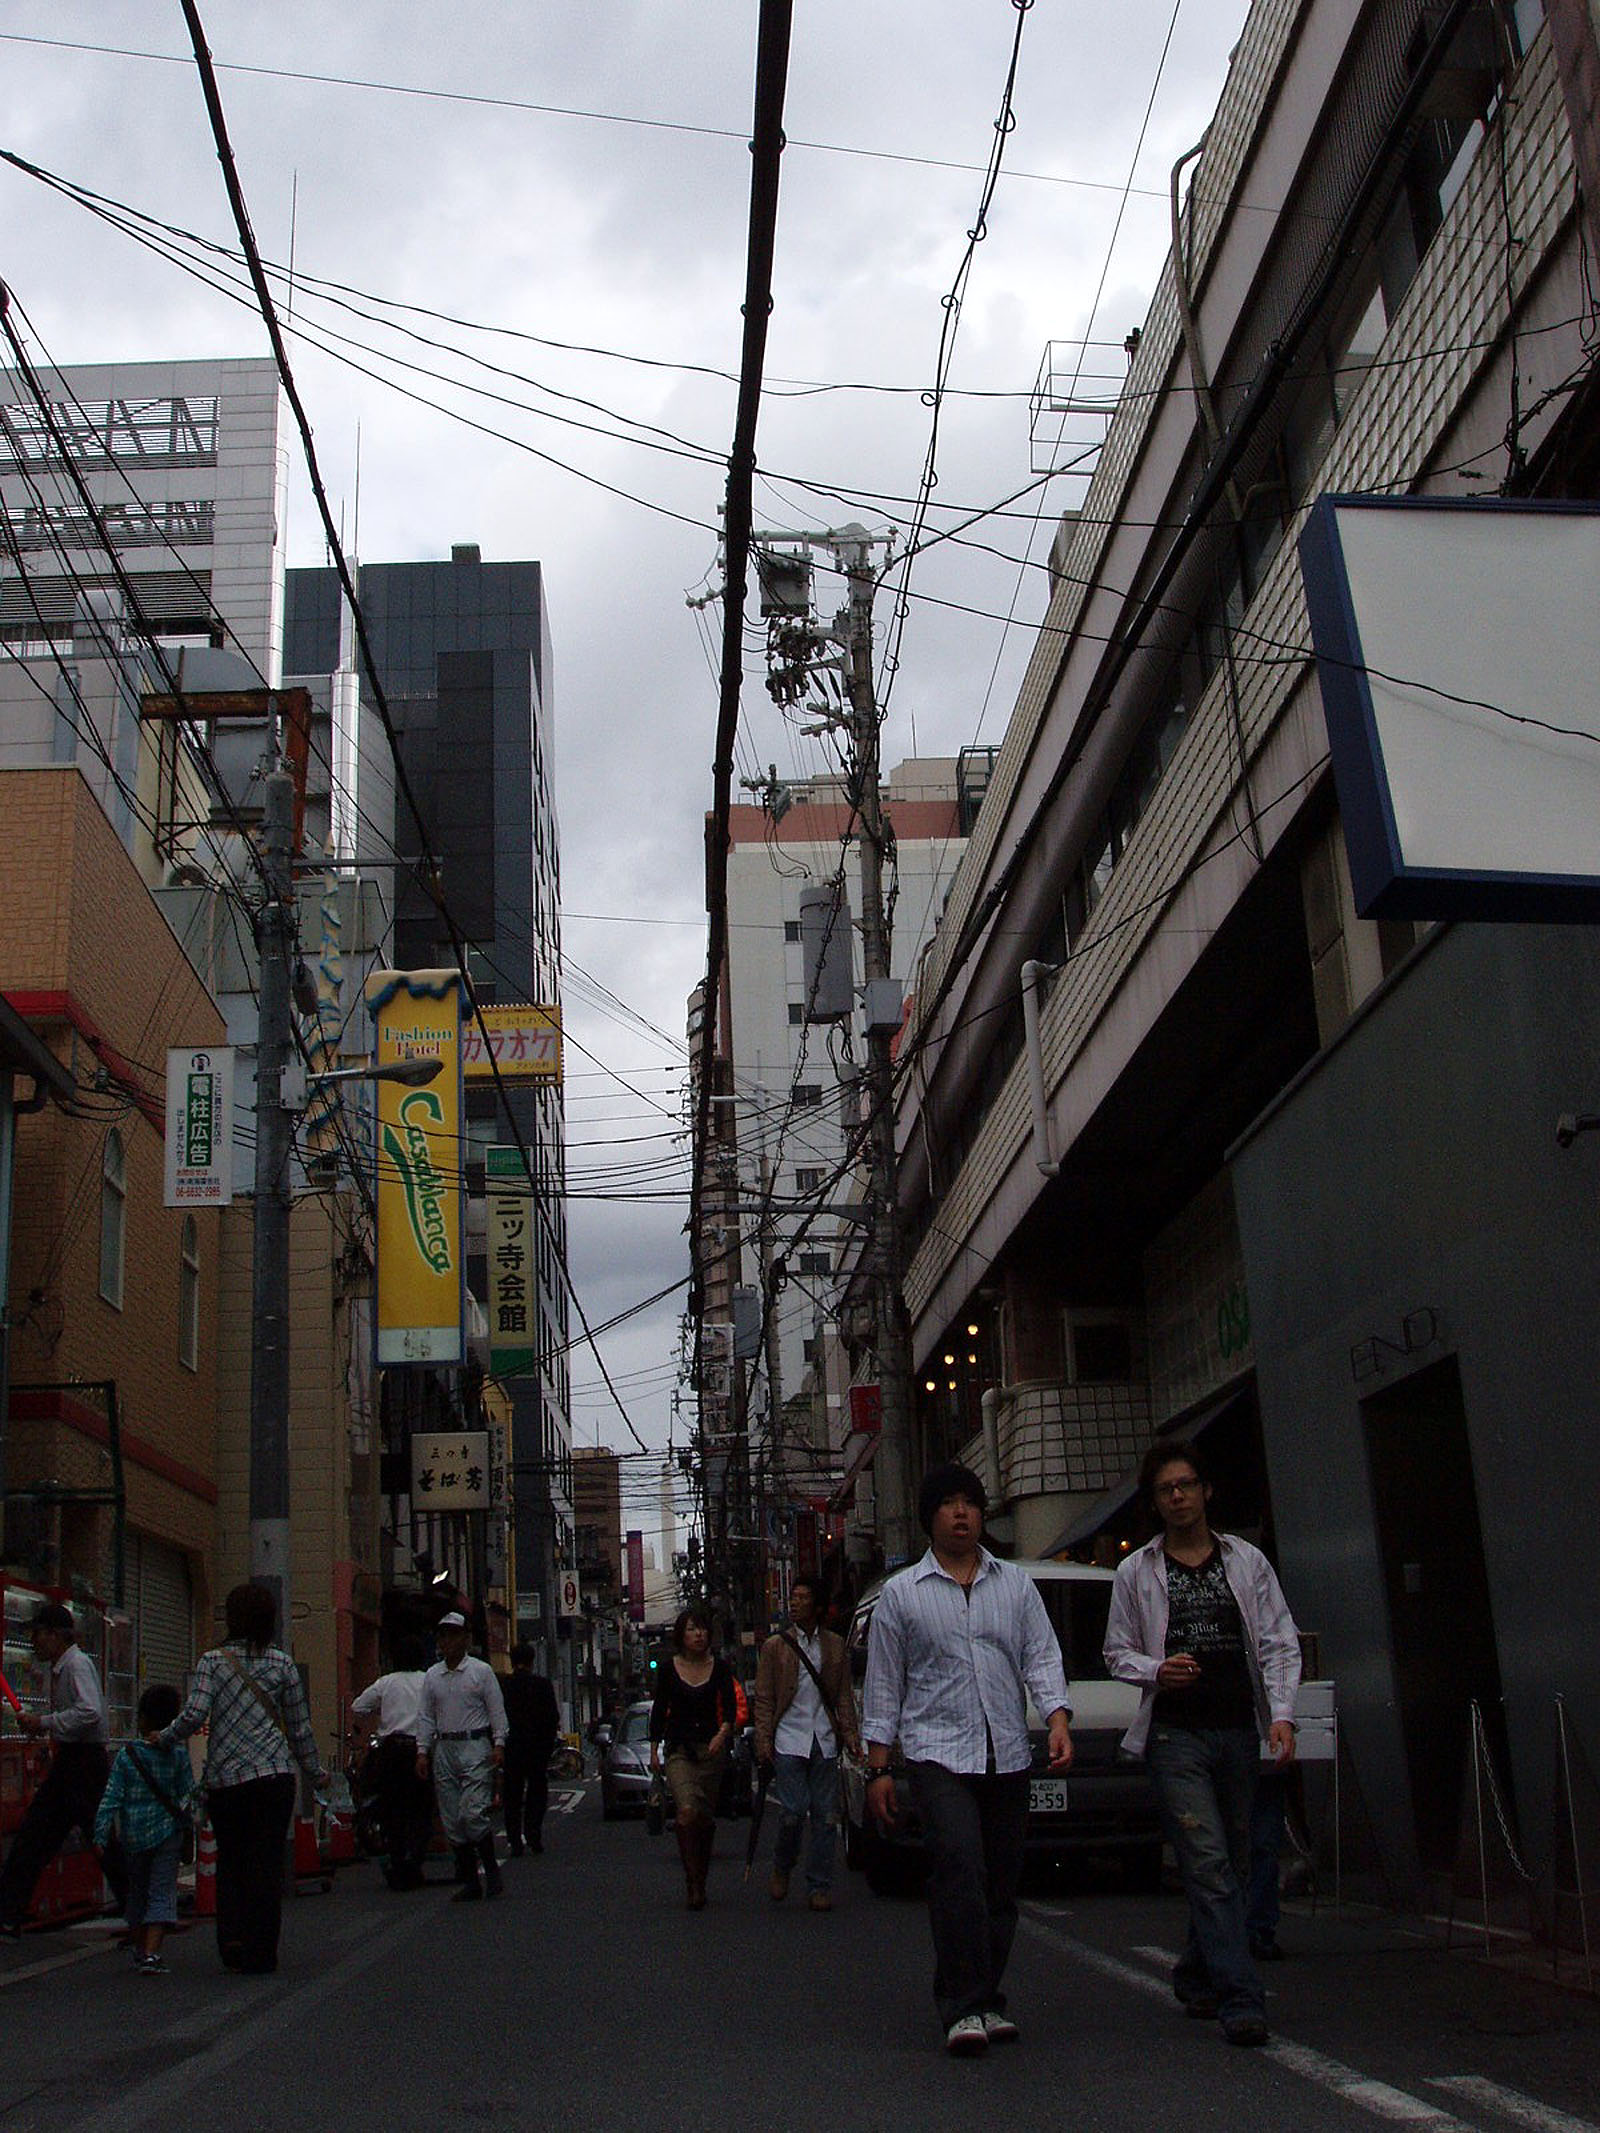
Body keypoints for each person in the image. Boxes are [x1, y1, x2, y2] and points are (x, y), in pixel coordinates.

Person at [862, 1463, 1073, 2056]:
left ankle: (984, 1998)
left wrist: (1057, 1719)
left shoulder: (1015, 1585)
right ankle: (962, 2005)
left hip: (1006, 1751)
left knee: (1001, 1883)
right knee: (959, 1867)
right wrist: (879, 1769)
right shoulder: (902, 1594)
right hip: (938, 1754)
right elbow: (884, 1685)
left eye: (970, 1503)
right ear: (929, 1517)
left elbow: (1041, 1656)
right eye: (949, 1503)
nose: (961, 1513)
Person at [1104, 1438, 1302, 2048]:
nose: (1178, 1497)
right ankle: (1241, 1997)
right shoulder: (1137, 1572)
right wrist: (1156, 1670)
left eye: (1186, 1485)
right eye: (1166, 1489)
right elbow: (1116, 1652)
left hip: (1237, 1728)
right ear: (1154, 1501)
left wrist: (1282, 1715)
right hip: (1175, 1735)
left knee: (1233, 1861)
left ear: (1206, 1490)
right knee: (1209, 1860)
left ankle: (1196, 1971)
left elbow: (1278, 1640)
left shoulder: (1245, 1561)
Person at [156, 1580, 327, 1975]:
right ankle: (262, 1949)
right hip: (274, 1778)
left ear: (231, 1618)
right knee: (266, 1865)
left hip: (228, 1780)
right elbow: (299, 1728)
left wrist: (164, 1737)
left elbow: (194, 1715)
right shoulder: (282, 1664)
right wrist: (315, 1772)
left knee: (231, 1860)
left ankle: (232, 1940)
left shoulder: (213, 1662)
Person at [0, 1602, 128, 1937]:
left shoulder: (75, 1665)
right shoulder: (66, 1666)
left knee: (45, 1835)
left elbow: (90, 1712)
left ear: (55, 1635)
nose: (34, 1641)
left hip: (81, 1764)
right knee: (44, 1835)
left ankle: (8, 1911)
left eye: (38, 1634)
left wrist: (44, 1722)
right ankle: (9, 1911)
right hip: (77, 1762)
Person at [753, 1574, 860, 1912]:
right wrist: (763, 1738)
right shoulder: (776, 1646)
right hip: (789, 1736)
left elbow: (842, 1695)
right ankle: (782, 1865)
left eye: (802, 1598)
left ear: (817, 1605)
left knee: (826, 1816)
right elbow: (764, 1698)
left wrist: (851, 1735)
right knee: (793, 1811)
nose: (795, 1603)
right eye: (793, 1597)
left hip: (823, 1737)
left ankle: (820, 1884)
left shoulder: (834, 1645)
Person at [93, 1684, 197, 1975]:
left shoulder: (127, 1756)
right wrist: (189, 1828)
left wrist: (100, 1833)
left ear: (142, 1719)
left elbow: (111, 1797)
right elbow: (188, 1796)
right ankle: (152, 1953)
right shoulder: (178, 1755)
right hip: (168, 1833)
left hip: (133, 1836)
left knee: (137, 1891)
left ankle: (140, 1950)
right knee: (162, 1890)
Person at [648, 1605, 738, 1911]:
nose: (698, 1635)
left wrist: (722, 1734)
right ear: (681, 1636)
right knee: (686, 1811)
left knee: (704, 1817)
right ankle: (693, 1882)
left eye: (702, 1629)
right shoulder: (668, 1669)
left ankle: (701, 1875)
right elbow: (660, 1709)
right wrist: (654, 1748)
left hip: (711, 1749)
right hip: (679, 1750)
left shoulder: (720, 1667)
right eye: (691, 1629)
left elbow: (729, 1706)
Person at [415, 1611, 508, 1901]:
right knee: (452, 1818)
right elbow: (426, 1716)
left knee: (472, 1812)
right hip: (445, 1746)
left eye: (453, 1635)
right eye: (443, 1635)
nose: (447, 1641)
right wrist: (422, 1751)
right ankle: (470, 1880)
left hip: (474, 1744)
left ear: (466, 1639)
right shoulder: (433, 1676)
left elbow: (496, 1710)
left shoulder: (480, 1672)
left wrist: (499, 1743)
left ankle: (491, 1871)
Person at [348, 1634, 434, 1889]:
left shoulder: (386, 1683)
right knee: (421, 1808)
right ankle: (415, 1860)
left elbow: (358, 1707)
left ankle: (397, 1861)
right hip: (420, 1750)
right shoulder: (428, 1681)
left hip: (392, 1752)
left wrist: (383, 1710)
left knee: (393, 1808)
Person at [500, 1644, 560, 1857]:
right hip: (537, 1748)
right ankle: (533, 1835)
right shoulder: (542, 1685)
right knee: (537, 1792)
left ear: (512, 1661)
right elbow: (552, 1717)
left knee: (512, 1796)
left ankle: (515, 1840)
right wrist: (548, 1744)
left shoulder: (504, 1685)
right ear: (532, 1661)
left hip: (511, 1746)